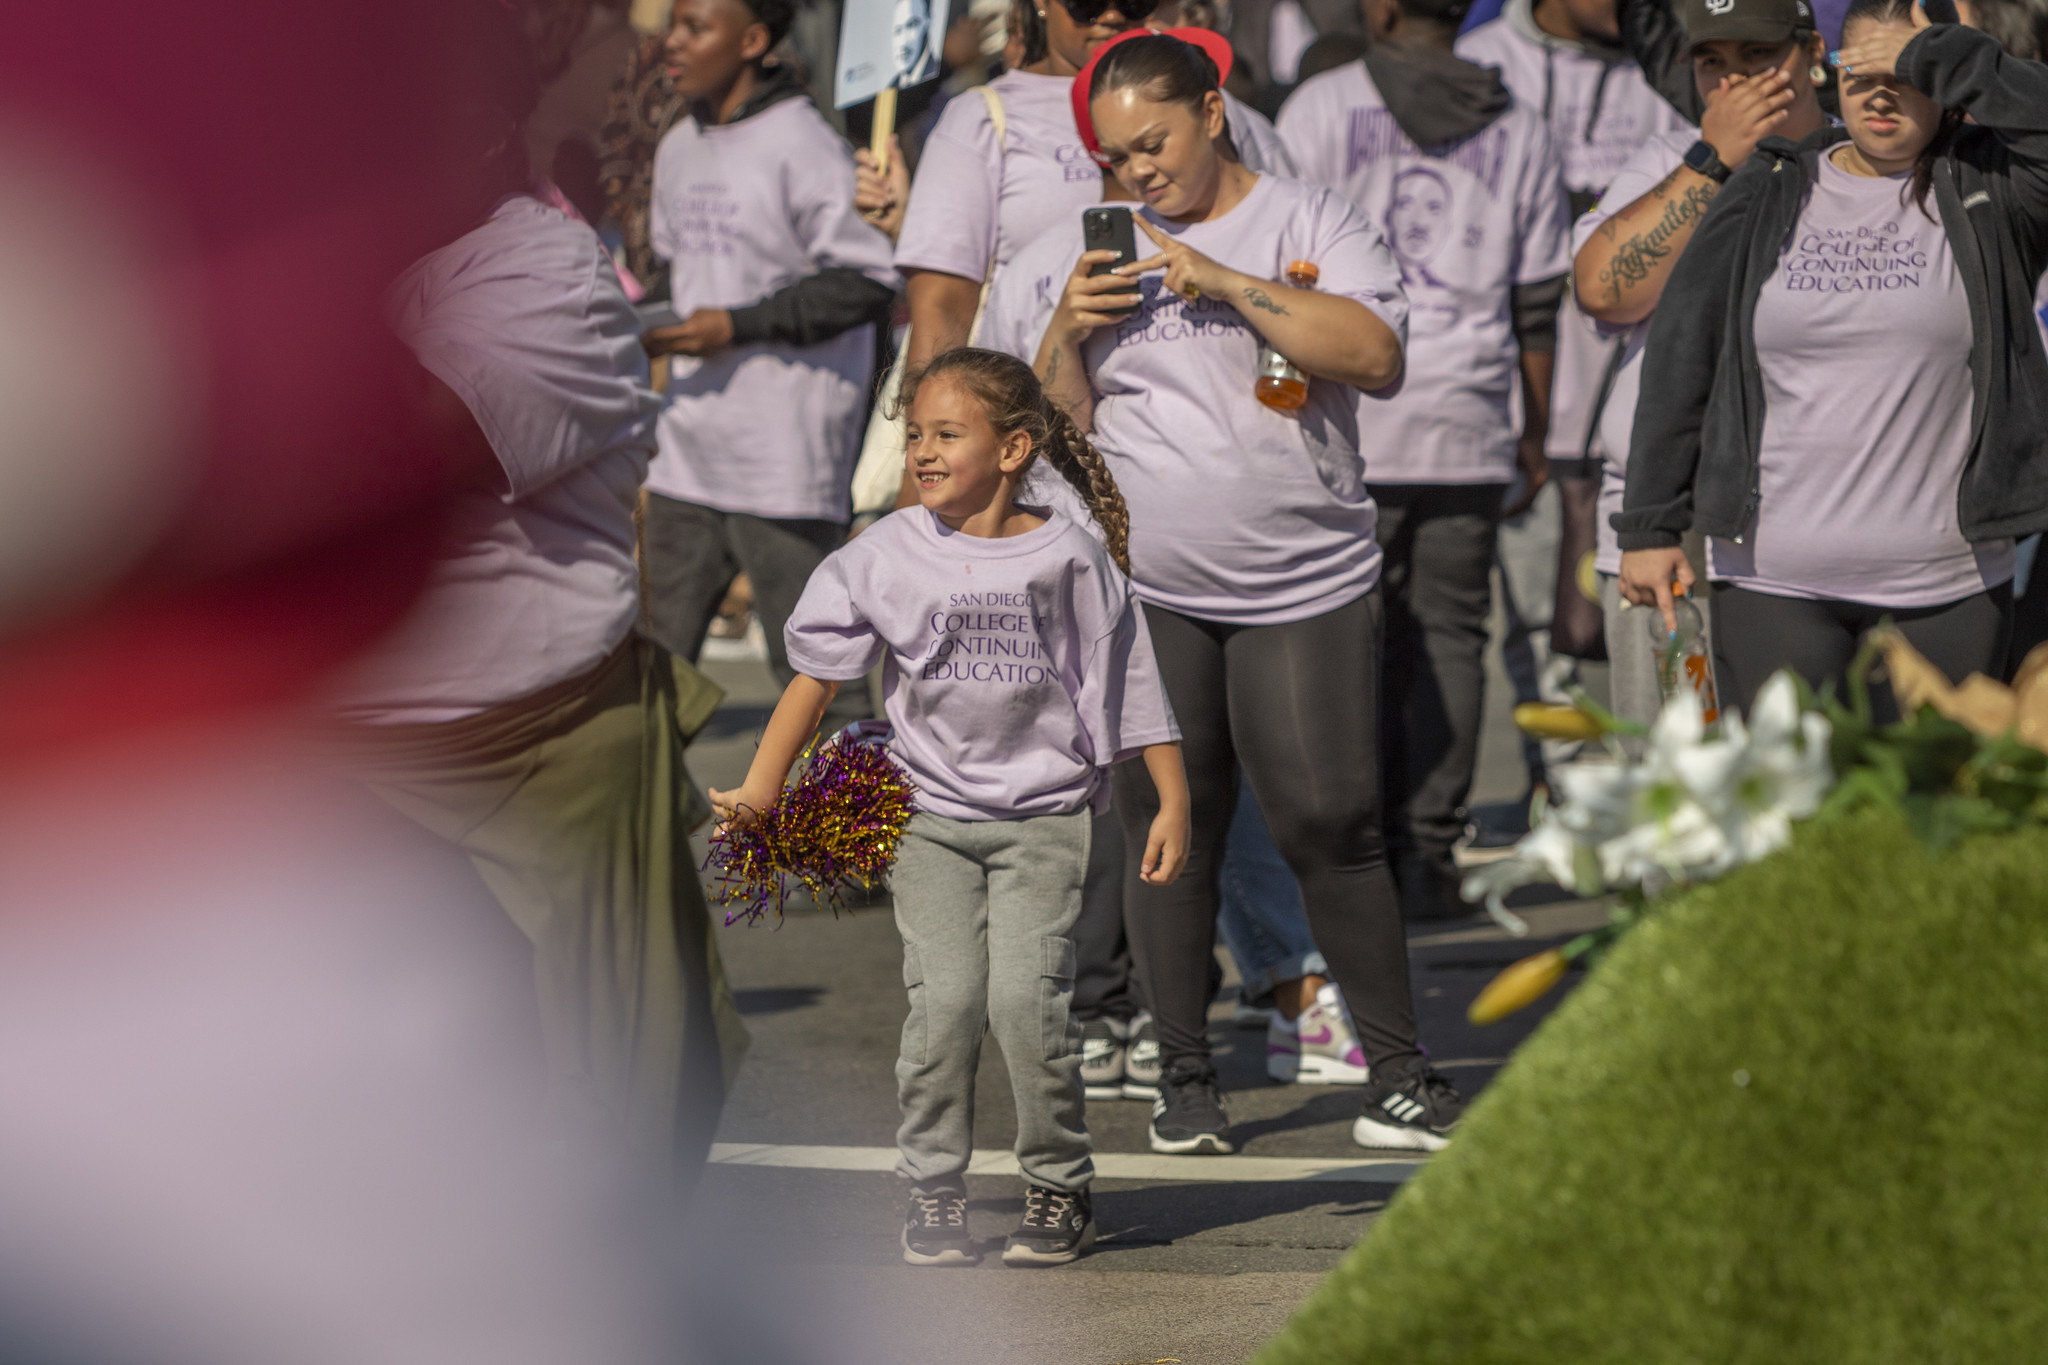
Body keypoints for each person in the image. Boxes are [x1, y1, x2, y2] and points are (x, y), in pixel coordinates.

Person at [1039, 32, 1469, 1155]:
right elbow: (1051, 426)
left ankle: (1400, 1077)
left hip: (1303, 579)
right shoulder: (1085, 251)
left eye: (1154, 142)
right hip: (1155, 587)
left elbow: (1372, 356)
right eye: (1114, 155)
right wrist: (1061, 332)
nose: (1138, 172)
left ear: (1213, 110)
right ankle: (1184, 1080)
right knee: (1171, 827)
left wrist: (1226, 281)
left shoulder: (1309, 222)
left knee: (1330, 822)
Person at [712, 347, 1187, 1268]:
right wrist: (764, 785)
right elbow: (816, 679)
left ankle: (1057, 1184)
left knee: (1026, 1003)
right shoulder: (884, 554)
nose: (923, 451)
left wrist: (1171, 798)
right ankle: (932, 1184)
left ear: (1013, 449)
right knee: (947, 1005)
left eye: (946, 434)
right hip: (926, 818)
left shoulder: (1068, 556)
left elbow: (1126, 683)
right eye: (914, 434)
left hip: (1044, 821)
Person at [1617, 2, 2048, 711]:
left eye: (1906, 74)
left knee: (1925, 816)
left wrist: (1949, 56)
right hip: (1773, 580)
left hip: (1947, 586)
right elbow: (1684, 346)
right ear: (1830, 73)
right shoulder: (1770, 181)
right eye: (1860, 73)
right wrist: (1649, 524)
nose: (1881, 93)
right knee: (1792, 811)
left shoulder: (1992, 190)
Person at [1279, 0, 1571, 920]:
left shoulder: (1319, 110)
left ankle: (1359, 855)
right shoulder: (1520, 124)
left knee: (1348, 641)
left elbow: (1281, 276)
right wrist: (1532, 428)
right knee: (1450, 635)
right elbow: (1534, 301)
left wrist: (1274, 405)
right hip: (1469, 412)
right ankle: (1431, 853)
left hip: (1345, 415)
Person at [1572, 0, 1829, 733]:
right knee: (1675, 782)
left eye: (1757, 57)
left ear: (1812, 52)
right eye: (1714, 63)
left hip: (1814, 519)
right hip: (1669, 529)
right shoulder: (1670, 161)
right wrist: (1714, 161)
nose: (1734, 82)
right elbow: (1605, 289)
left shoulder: (1860, 158)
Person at [640, 0, 898, 710]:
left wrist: (737, 325)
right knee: (643, 684)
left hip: (783, 466)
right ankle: (643, 825)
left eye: (698, 27)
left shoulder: (806, 143)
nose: (675, 41)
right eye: (675, 24)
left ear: (754, 40)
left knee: (820, 692)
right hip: (686, 456)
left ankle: (850, 828)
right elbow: (679, 274)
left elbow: (867, 281)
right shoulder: (678, 142)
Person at [1459, 0, 1688, 799]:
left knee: (1627, 625)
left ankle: (1625, 807)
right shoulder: (1483, 60)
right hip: (1528, 399)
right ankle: (1568, 805)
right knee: (1536, 625)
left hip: (1642, 404)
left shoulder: (1667, 59)